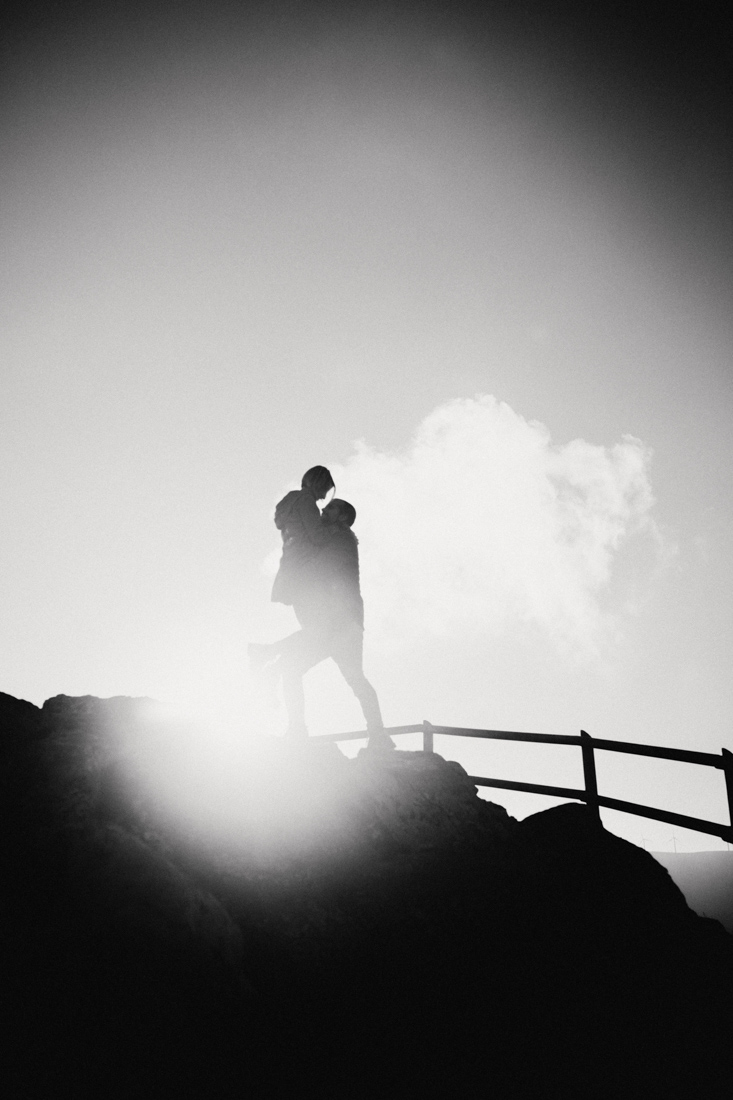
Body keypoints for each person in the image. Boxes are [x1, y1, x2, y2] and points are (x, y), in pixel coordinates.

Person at [251, 497, 392, 751]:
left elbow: (318, 567)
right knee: (342, 677)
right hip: (337, 622)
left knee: (349, 677)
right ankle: (301, 729)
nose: (324, 509)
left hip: (342, 622)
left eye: (332, 507)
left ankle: (267, 655)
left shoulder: (342, 540)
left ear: (343, 516)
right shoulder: (332, 539)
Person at [270, 465, 335, 610]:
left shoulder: (291, 501)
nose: (324, 496)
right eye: (325, 489)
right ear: (319, 484)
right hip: (307, 567)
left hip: (292, 565)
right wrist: (334, 529)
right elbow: (318, 536)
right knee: (316, 621)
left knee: (306, 618)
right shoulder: (306, 501)